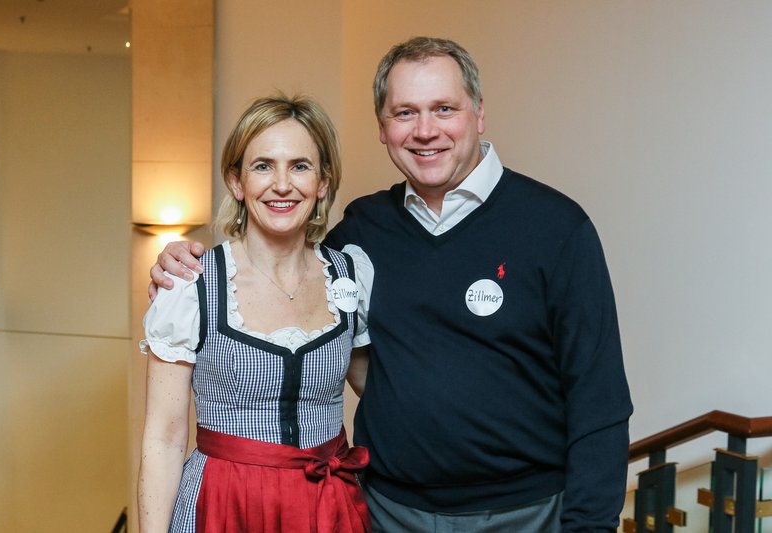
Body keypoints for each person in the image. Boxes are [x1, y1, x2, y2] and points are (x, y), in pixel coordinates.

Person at [151, 37, 633, 532]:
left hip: (523, 513)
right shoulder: (362, 234)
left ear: (479, 113)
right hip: (386, 512)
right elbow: (284, 267)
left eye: (444, 108)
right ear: (383, 128)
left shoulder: (556, 228)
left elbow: (599, 401)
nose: (425, 131)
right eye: (404, 113)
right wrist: (182, 265)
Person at [138, 94, 373, 533]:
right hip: (225, 503)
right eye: (263, 166)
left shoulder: (351, 275)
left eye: (300, 166)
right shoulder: (190, 283)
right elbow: (164, 439)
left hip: (327, 504)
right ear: (237, 182)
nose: (282, 185)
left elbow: (381, 388)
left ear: (323, 182)